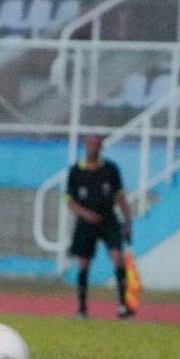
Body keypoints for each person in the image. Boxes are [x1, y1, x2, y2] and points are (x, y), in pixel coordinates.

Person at [66, 133, 135, 319]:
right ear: (85, 145)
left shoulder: (110, 169)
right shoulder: (76, 171)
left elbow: (120, 197)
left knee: (117, 257)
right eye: (90, 143)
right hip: (86, 223)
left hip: (108, 220)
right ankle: (82, 309)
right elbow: (70, 201)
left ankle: (123, 307)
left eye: (97, 144)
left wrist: (128, 222)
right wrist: (86, 214)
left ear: (101, 147)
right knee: (83, 264)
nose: (93, 147)